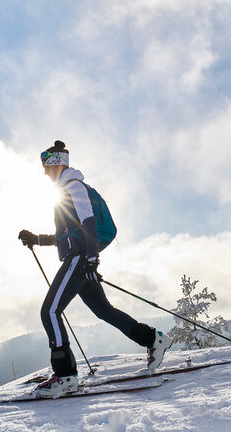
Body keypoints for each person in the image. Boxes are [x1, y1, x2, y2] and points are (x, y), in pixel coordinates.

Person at [19, 140, 173, 398]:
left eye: (46, 166)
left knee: (50, 311)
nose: (44, 172)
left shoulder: (73, 187)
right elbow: (64, 236)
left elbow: (88, 220)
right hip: (80, 257)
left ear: (57, 165)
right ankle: (153, 339)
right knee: (104, 310)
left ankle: (65, 376)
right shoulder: (68, 190)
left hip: (79, 259)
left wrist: (91, 259)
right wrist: (37, 239)